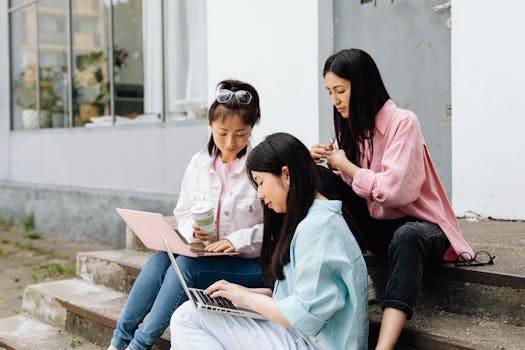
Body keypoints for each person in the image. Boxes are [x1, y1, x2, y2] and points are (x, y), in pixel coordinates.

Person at [310, 48, 474, 350]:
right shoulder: (350, 126)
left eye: (341, 90)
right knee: (314, 176)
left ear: (361, 86)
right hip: (379, 227)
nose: (335, 99)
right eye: (330, 91)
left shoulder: (403, 122)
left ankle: (384, 347)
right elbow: (353, 185)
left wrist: (345, 165)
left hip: (422, 226)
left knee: (407, 236)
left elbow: (397, 191)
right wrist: (324, 161)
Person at [170, 132, 369, 350]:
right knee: (193, 312)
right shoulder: (312, 220)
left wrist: (246, 298)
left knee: (187, 317)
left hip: (312, 343)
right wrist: (240, 293)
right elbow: (294, 296)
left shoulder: (319, 228)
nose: (260, 195)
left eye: (261, 182)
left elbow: (302, 315)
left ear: (286, 175)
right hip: (300, 337)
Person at [108, 79, 265, 350]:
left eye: (241, 134)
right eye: (222, 132)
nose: (230, 142)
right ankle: (118, 342)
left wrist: (236, 241)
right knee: (159, 262)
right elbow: (182, 211)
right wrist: (194, 230)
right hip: (206, 254)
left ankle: (138, 346)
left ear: (252, 129)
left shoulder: (262, 166)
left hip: (252, 263)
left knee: (187, 267)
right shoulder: (199, 164)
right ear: (210, 124)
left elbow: (279, 226)